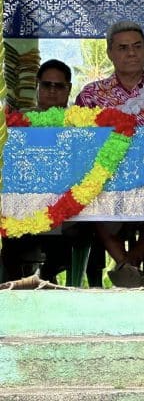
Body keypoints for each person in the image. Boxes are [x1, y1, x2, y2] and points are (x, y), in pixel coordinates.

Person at [75, 21, 144, 288]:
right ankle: (128, 265)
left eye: (137, 47)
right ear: (110, 53)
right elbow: (80, 143)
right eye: (123, 48)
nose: (131, 53)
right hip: (107, 180)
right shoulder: (91, 95)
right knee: (90, 198)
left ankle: (130, 263)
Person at [1, 59, 78, 282]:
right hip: (24, 202)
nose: (52, 91)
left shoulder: (80, 124)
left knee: (71, 227)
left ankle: (47, 278)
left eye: (59, 86)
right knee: (9, 230)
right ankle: (16, 286)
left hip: (65, 203)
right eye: (46, 85)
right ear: (37, 86)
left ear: (68, 89)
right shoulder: (18, 122)